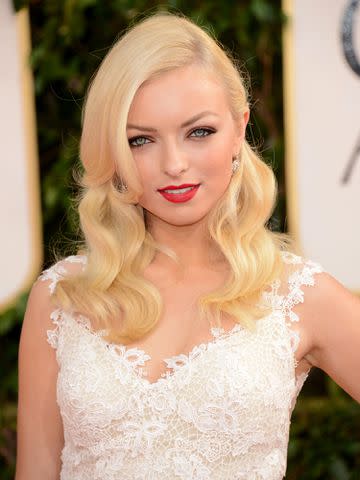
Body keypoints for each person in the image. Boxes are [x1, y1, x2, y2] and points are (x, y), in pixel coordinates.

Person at [15, 11, 360, 480]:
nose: (174, 164)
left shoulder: (297, 295)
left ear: (239, 129)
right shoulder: (62, 298)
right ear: (112, 149)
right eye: (140, 140)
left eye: (199, 132)